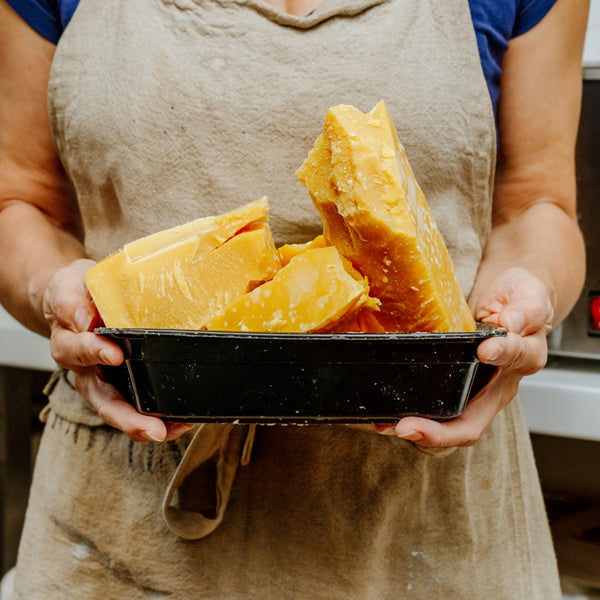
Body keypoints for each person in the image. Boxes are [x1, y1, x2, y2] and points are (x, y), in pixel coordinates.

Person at [0, 0, 589, 597]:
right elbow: (20, 200)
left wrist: (526, 295)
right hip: (126, 511)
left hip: (431, 522)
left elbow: (537, 203)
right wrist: (51, 288)